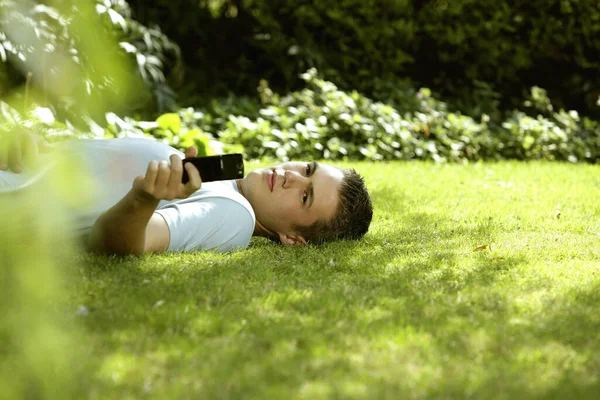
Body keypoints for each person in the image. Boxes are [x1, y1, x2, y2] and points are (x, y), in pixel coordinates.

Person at [0, 129, 373, 255]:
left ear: (293, 238)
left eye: (304, 195)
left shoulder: (234, 215)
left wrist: (143, 198)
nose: (292, 177)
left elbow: (119, 244)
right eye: (307, 169)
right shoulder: (216, 180)